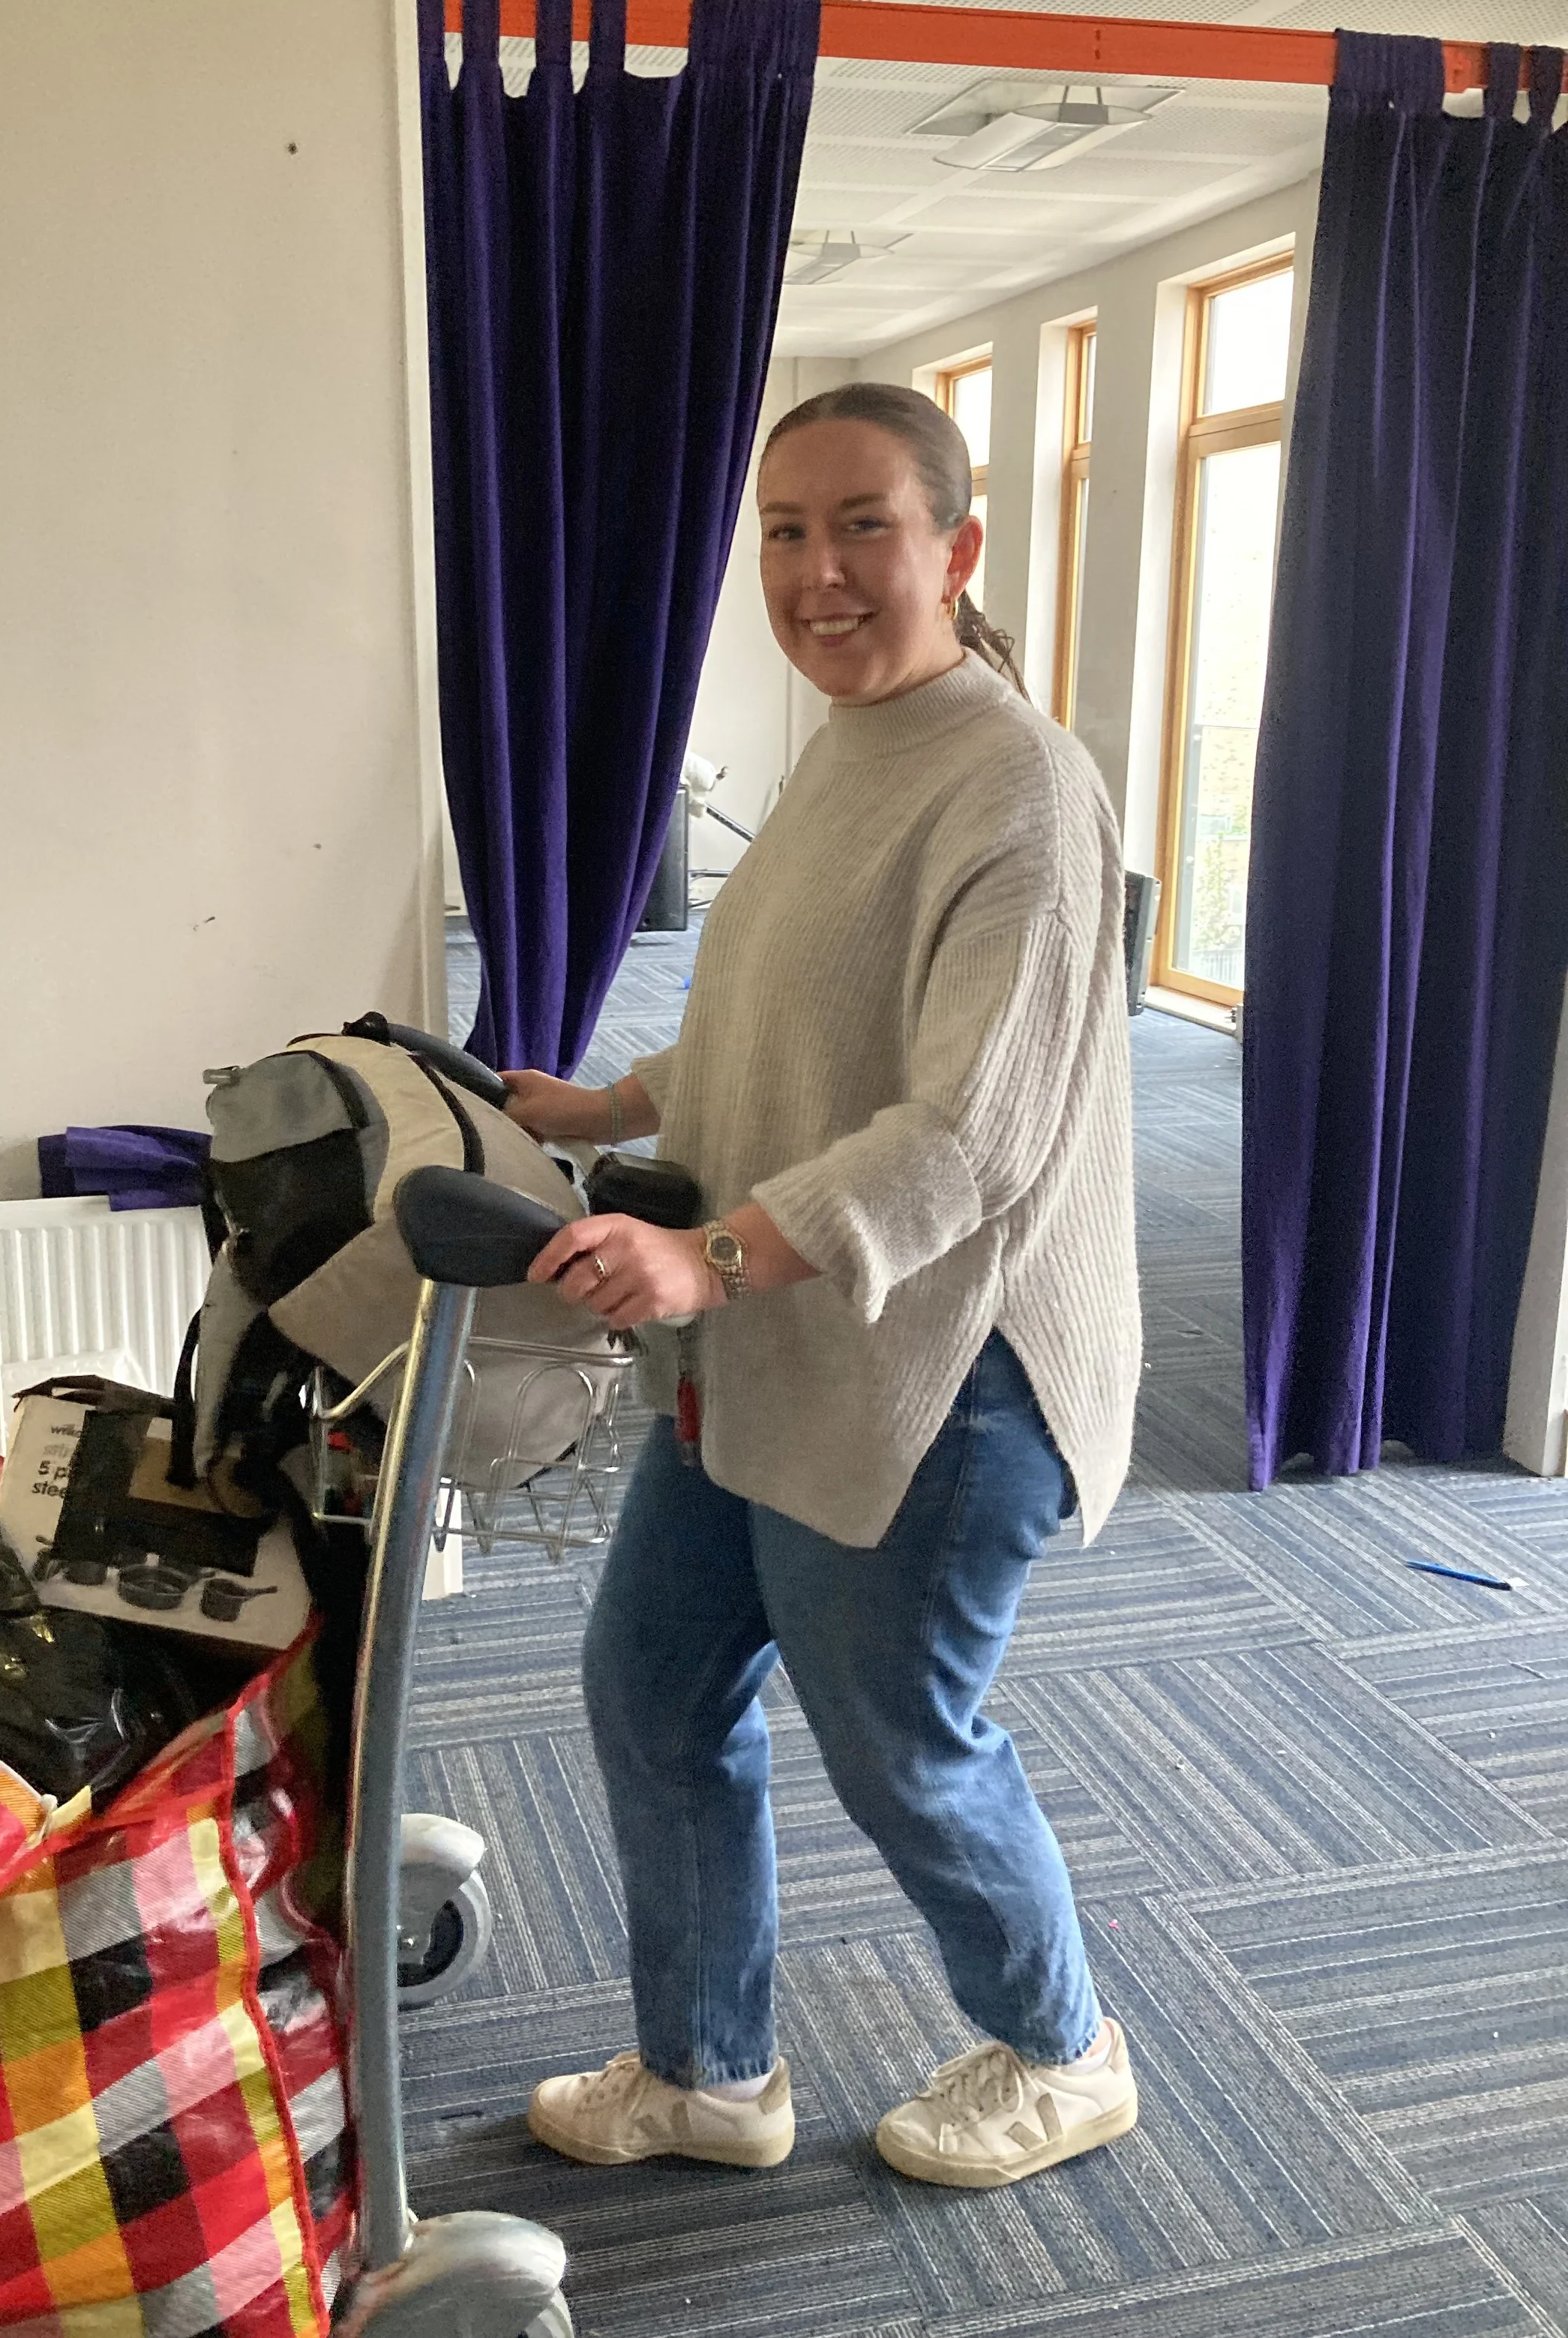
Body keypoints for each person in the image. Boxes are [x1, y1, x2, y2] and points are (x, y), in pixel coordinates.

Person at [501, 381, 1141, 2191]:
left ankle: (1063, 2044)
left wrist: (702, 1255)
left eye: (861, 521)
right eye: (783, 531)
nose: (815, 569)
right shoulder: (839, 747)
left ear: (957, 542)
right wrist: (611, 1104)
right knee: (649, 1689)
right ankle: (710, 2069)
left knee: (901, 1753)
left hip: (944, 1371)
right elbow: (770, 1021)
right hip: (768, 1333)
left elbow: (970, 1135)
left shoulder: (1020, 781)